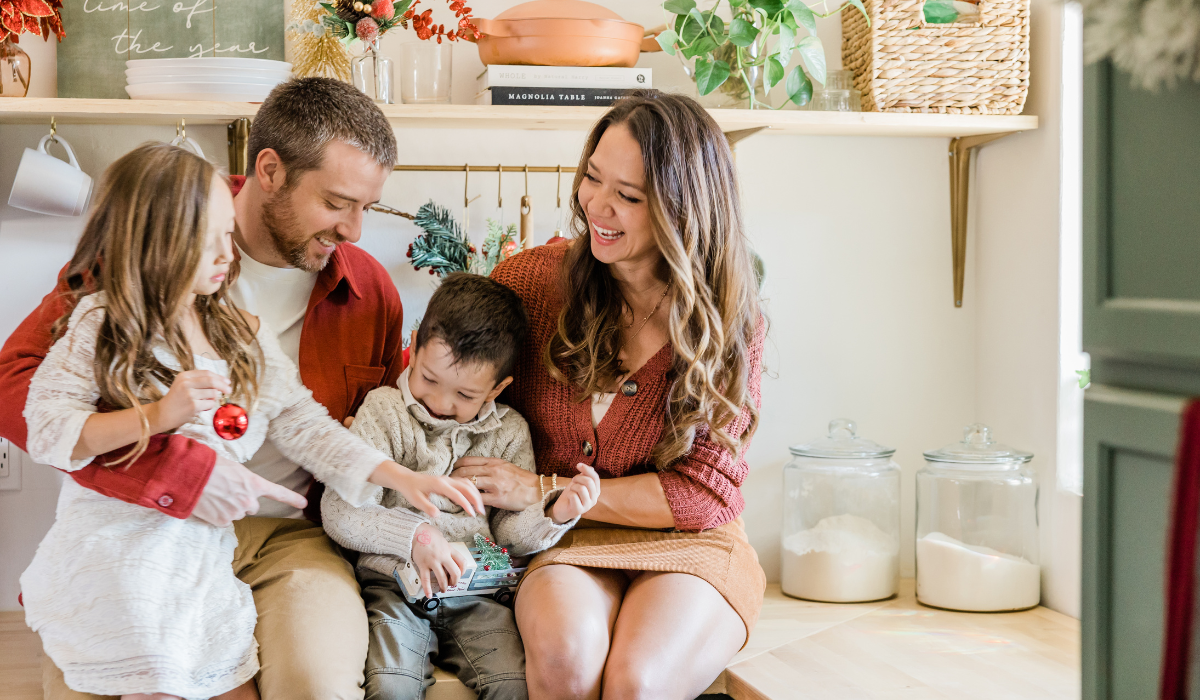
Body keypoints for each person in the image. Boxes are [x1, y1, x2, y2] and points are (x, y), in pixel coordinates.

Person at [0, 77, 446, 700]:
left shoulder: (370, 292)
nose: (356, 229)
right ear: (269, 170)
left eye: (367, 206)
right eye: (337, 202)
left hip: (290, 538)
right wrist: (174, 474)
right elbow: (19, 387)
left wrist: (417, 491)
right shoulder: (145, 250)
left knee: (316, 684)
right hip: (141, 525)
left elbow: (326, 423)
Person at [454, 91, 767, 700]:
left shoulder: (728, 322)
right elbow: (462, 402)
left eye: (628, 196)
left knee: (637, 682)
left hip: (691, 546)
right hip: (562, 537)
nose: (598, 205)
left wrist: (543, 489)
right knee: (569, 663)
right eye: (593, 178)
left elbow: (702, 495)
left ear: (685, 211)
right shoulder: (527, 284)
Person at [322, 273, 600, 700]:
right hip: (394, 588)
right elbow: (340, 511)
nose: (441, 403)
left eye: (466, 395)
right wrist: (415, 537)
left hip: (481, 594)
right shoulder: (383, 411)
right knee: (392, 687)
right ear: (414, 348)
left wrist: (552, 514)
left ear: (498, 388)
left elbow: (508, 536)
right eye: (429, 380)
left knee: (514, 685)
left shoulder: (508, 433)